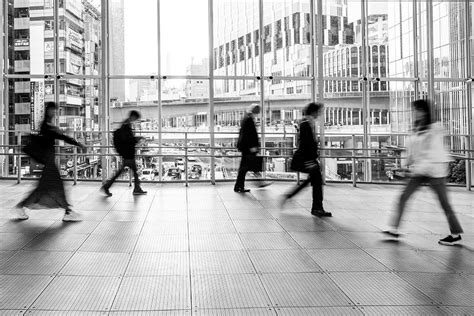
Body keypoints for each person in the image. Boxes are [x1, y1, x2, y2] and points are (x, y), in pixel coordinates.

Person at [384, 99, 463, 246]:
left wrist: (415, 167)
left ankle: (455, 233)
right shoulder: (417, 129)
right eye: (414, 110)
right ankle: (393, 229)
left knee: (444, 203)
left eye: (417, 110)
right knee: (403, 197)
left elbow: (433, 152)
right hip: (420, 171)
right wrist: (406, 165)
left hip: (435, 171)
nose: (414, 113)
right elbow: (414, 151)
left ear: (424, 111)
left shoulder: (434, 129)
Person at [16, 102, 86, 221]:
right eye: (53, 110)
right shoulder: (47, 126)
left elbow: (60, 136)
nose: (55, 112)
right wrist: (78, 144)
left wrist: (63, 134)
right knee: (57, 186)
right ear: (48, 111)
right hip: (49, 161)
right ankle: (68, 211)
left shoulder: (48, 125)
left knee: (43, 188)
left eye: (55, 110)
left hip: (49, 160)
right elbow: (63, 137)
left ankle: (21, 207)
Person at [281, 102, 331, 217]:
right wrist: (311, 161)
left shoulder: (307, 123)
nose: (319, 114)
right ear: (313, 112)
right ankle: (317, 208)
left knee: (313, 181)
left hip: (307, 159)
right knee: (316, 181)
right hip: (306, 159)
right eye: (318, 111)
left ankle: (290, 196)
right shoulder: (305, 124)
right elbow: (305, 145)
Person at [101, 110, 147, 196]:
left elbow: (127, 138)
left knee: (129, 171)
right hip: (128, 154)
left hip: (127, 153)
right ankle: (107, 186)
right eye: (135, 118)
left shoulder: (125, 124)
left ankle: (136, 188)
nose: (135, 120)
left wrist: (135, 139)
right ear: (133, 117)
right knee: (126, 171)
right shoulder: (126, 126)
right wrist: (137, 139)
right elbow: (128, 139)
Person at [234, 104, 271, 193]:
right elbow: (249, 135)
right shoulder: (249, 120)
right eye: (257, 112)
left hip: (246, 147)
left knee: (244, 167)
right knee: (245, 167)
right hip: (249, 148)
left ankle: (239, 186)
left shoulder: (246, 118)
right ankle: (254, 183)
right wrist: (253, 147)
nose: (258, 113)